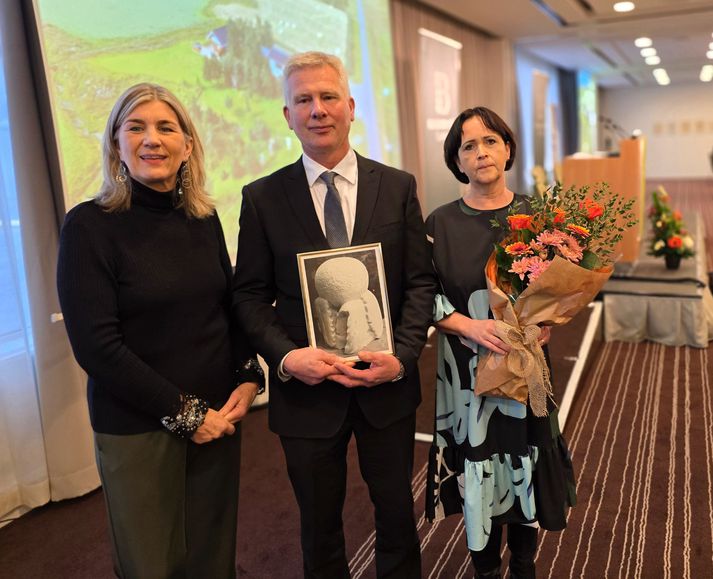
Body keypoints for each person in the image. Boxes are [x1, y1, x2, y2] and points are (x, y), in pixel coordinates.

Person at [232, 51, 436, 578]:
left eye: (328, 97)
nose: (317, 109)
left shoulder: (397, 187)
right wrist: (286, 357)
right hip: (306, 391)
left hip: (385, 385)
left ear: (350, 106)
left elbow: (420, 283)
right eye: (304, 100)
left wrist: (405, 357)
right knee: (318, 523)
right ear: (287, 115)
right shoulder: (261, 199)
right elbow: (248, 296)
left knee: (396, 513)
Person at [56, 83, 264, 579]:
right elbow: (97, 348)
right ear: (116, 144)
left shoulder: (203, 217)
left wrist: (247, 372)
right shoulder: (88, 226)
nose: (152, 139)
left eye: (166, 127)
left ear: (188, 145)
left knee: (213, 559)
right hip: (140, 426)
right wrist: (187, 416)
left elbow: (226, 304)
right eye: (136, 127)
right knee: (153, 565)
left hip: (219, 414)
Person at [424, 107, 576, 579]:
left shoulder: (537, 215)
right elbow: (423, 294)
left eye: (489, 141)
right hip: (466, 374)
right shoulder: (440, 221)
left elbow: (557, 286)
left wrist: (547, 321)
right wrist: (467, 327)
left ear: (507, 149)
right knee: (480, 461)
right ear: (457, 161)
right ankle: (486, 566)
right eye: (468, 146)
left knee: (523, 459)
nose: (481, 152)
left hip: (524, 365)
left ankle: (525, 564)